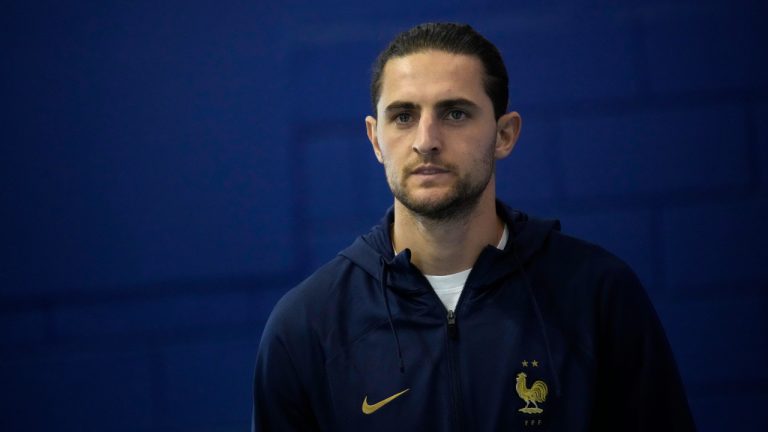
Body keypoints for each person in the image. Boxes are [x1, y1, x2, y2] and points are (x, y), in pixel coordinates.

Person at [252, 22, 695, 431]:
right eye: (403, 116)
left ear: (504, 134)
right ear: (375, 139)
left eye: (455, 113)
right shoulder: (308, 325)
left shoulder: (597, 296)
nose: (426, 140)